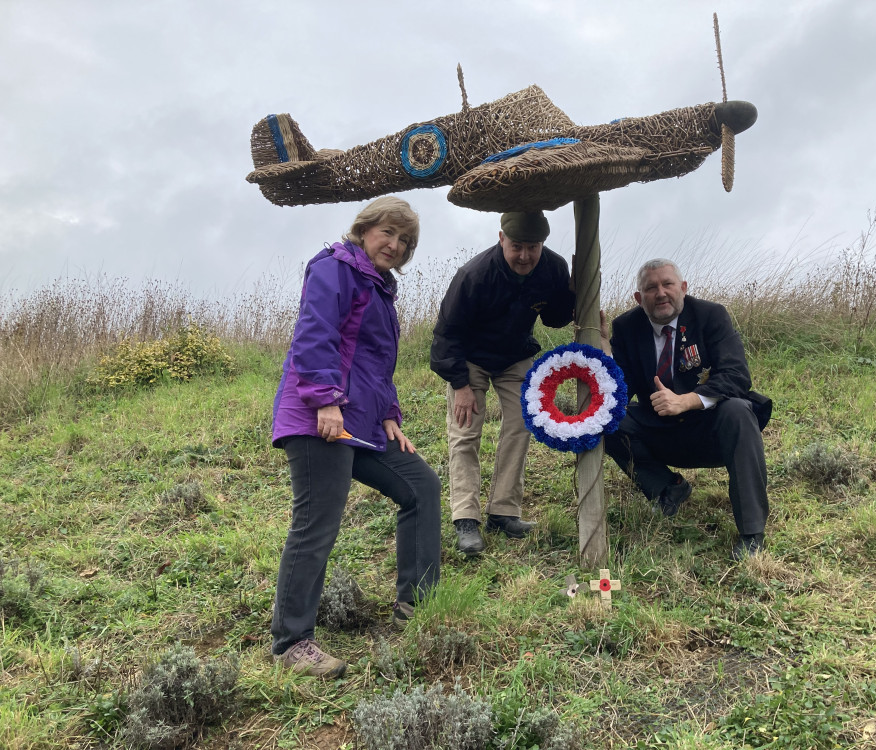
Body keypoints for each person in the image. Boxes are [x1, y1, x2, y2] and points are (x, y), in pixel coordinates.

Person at [270, 196, 441, 678]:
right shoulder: (335, 269)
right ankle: (291, 643)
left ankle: (417, 605)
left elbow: (372, 361)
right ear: (364, 228)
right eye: (388, 232)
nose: (395, 244)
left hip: (361, 424)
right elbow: (315, 334)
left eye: (405, 241)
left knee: (421, 487)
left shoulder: (379, 287)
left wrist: (389, 412)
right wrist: (324, 399)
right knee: (317, 523)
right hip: (317, 418)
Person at [602, 259, 772, 559]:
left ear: (683, 288)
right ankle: (669, 488)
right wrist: (604, 352)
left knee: (739, 411)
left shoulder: (710, 315)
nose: (661, 293)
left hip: (711, 429)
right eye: (651, 288)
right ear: (639, 299)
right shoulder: (626, 327)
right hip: (660, 430)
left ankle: (751, 532)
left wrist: (687, 400)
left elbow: (736, 375)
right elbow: (619, 390)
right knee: (607, 421)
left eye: (667, 284)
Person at [430, 211, 575, 556]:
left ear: (543, 244)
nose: (524, 256)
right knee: (465, 431)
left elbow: (555, 319)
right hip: (469, 356)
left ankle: (503, 512)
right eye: (517, 247)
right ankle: (466, 520)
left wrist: (573, 292)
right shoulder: (473, 275)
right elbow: (446, 335)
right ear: (501, 239)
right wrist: (461, 386)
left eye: (533, 247)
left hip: (514, 354)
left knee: (522, 422)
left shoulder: (553, 268)